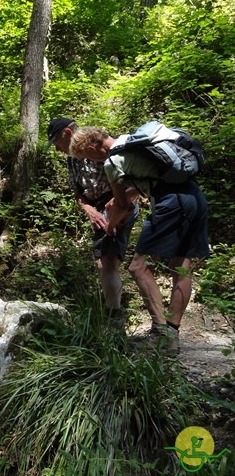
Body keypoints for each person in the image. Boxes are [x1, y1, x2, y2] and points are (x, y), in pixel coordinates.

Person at [69, 126, 210, 351]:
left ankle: (160, 332)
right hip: (194, 197)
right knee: (180, 267)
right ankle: (171, 335)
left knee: (138, 267)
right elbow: (144, 181)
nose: (92, 161)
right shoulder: (133, 141)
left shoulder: (111, 162)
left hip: (171, 202)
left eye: (88, 156)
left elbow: (123, 207)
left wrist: (110, 228)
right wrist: (122, 199)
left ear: (90, 147)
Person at [47, 117, 139, 323]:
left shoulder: (100, 146)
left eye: (57, 144)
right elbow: (77, 191)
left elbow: (133, 181)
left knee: (106, 260)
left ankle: (114, 318)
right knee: (103, 260)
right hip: (98, 207)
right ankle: (112, 311)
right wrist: (88, 208)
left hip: (117, 204)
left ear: (67, 134)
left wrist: (120, 208)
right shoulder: (72, 159)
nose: (58, 150)